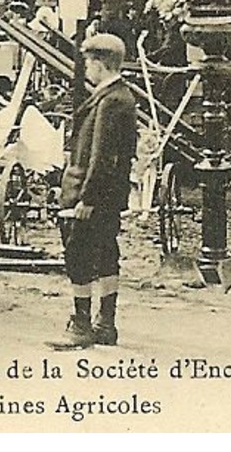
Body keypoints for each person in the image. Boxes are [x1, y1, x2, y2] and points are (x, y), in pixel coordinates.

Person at [53, 32, 138, 349]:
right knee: (105, 254)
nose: (87, 68)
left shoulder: (111, 101)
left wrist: (87, 198)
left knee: (79, 255)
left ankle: (82, 324)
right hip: (109, 195)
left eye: (89, 61)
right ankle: (106, 324)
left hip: (91, 194)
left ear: (100, 63)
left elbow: (101, 156)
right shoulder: (120, 97)